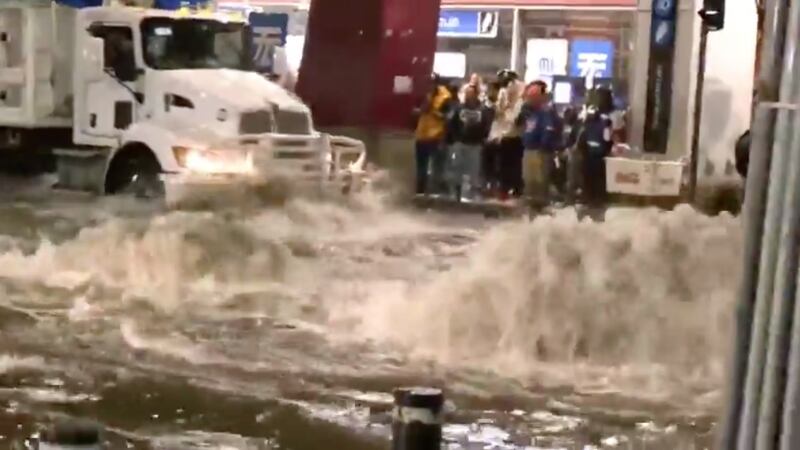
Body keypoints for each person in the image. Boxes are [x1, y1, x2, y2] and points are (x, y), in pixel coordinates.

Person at [517, 81, 563, 208]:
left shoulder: (546, 112)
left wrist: (543, 146)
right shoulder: (531, 112)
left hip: (539, 151)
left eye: (532, 97)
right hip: (529, 149)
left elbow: (548, 130)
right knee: (529, 179)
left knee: (539, 180)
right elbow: (523, 126)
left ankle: (540, 205)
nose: (529, 100)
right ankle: (531, 203)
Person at [447, 84, 493, 200]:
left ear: (476, 94)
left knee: (474, 169)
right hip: (460, 142)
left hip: (475, 144)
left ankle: (473, 193)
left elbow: (486, 125)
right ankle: (456, 191)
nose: (469, 95)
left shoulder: (482, 109)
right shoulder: (459, 108)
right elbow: (452, 123)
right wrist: (454, 138)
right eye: (467, 93)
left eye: (471, 93)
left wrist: (483, 138)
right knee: (457, 167)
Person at [488, 69, 525, 200]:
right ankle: (503, 189)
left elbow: (518, 117)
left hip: (516, 136)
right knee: (503, 165)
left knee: (515, 165)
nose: (509, 85)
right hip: (503, 135)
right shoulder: (502, 93)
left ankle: (516, 189)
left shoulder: (521, 96)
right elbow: (498, 113)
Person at [414, 74, 452, 195]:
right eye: (427, 83)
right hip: (422, 135)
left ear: (436, 83)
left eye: (431, 83)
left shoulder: (445, 97)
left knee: (437, 167)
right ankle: (420, 192)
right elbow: (419, 111)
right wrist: (420, 110)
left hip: (436, 136)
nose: (428, 85)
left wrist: (434, 112)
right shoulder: (423, 94)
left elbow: (449, 117)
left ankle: (435, 192)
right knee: (421, 167)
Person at [578, 86, 615, 208]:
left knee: (592, 179)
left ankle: (592, 199)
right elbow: (607, 139)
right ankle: (594, 199)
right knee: (594, 179)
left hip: (593, 155)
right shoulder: (604, 119)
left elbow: (584, 136)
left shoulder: (593, 118)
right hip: (595, 154)